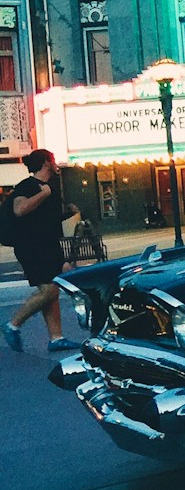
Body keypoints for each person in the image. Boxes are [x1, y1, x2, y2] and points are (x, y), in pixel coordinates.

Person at [2, 149, 81, 354]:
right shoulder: (28, 186)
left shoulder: (50, 188)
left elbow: (45, 220)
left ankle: (56, 338)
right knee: (50, 290)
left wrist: (68, 213)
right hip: (31, 247)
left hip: (48, 245)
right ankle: (13, 324)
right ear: (46, 163)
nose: (56, 165)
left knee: (51, 290)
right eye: (53, 161)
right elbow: (19, 210)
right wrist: (42, 194)